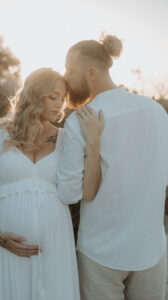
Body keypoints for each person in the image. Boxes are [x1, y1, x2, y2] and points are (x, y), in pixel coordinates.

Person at [0, 68, 104, 300]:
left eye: (62, 99)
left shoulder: (67, 138)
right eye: (52, 97)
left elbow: (87, 190)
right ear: (34, 95)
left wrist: (93, 142)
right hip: (6, 246)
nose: (59, 105)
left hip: (55, 246)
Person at [57, 33, 168, 300]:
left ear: (91, 73)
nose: (65, 78)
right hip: (150, 248)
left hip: (100, 254)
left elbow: (69, 194)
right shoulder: (156, 112)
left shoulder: (78, 122)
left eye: (70, 70)